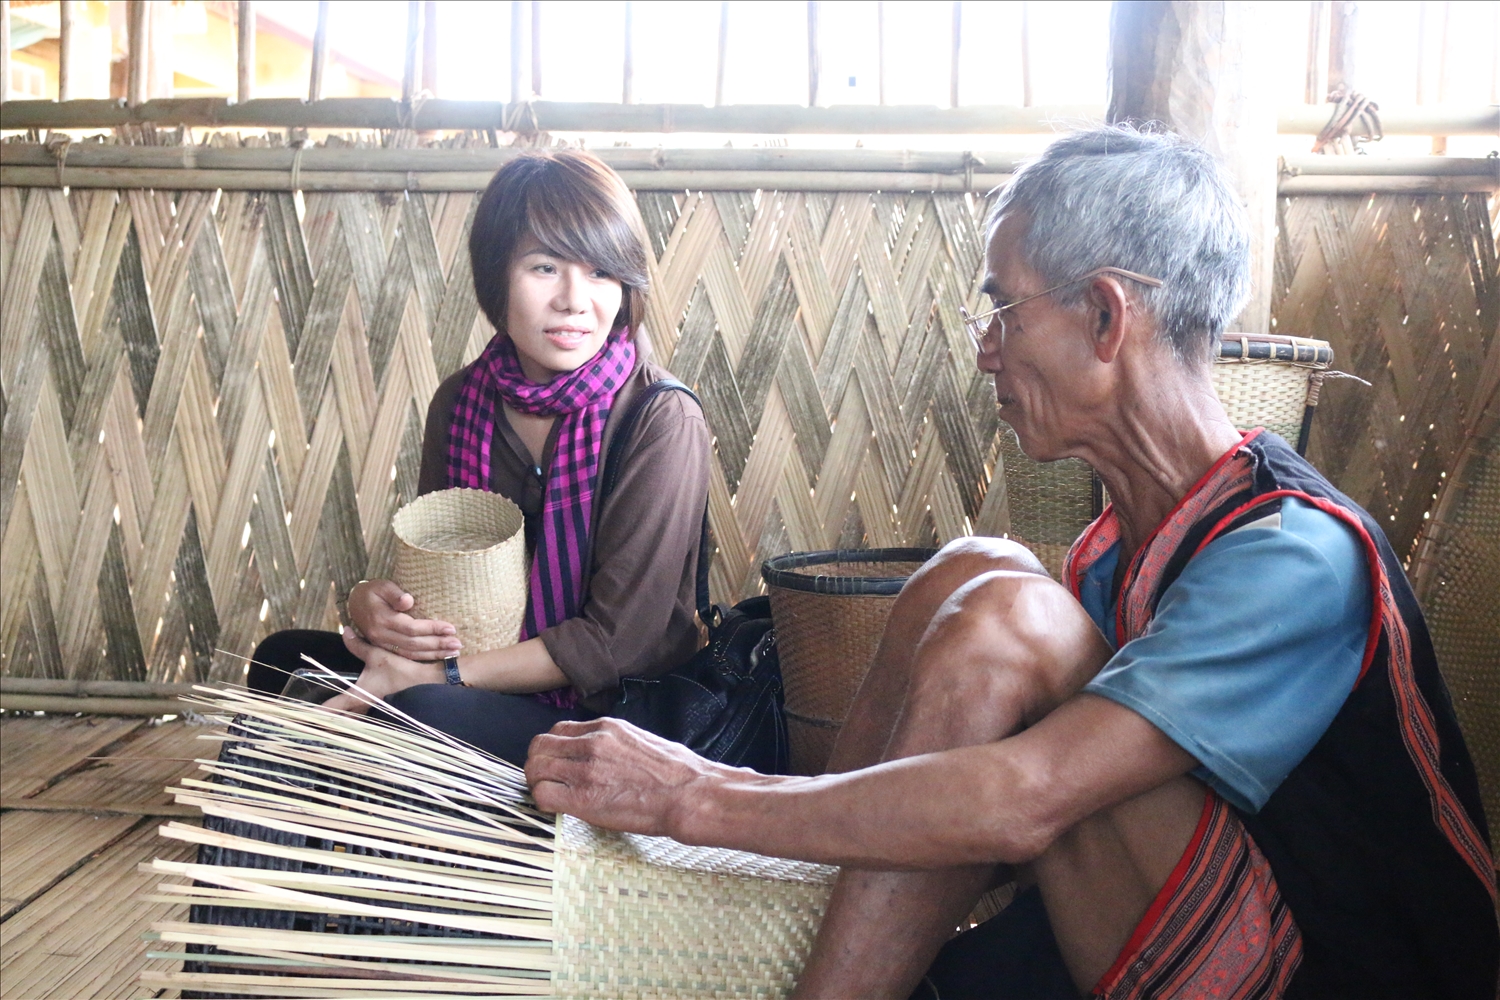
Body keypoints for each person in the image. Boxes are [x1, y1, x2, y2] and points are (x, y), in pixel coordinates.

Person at [524, 127, 1498, 999]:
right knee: (972, 570)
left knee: (1008, 623)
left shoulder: (1296, 555)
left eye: (1006, 311)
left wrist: (694, 795)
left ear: (1108, 318)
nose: (987, 351)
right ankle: (811, 926)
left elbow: (1028, 800)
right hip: (1204, 927)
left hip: (1348, 972)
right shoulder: (1127, 544)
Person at [247, 150, 711, 765]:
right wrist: (374, 610)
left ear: (626, 288)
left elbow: (618, 643)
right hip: (480, 673)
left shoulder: (660, 419)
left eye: (601, 272)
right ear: (497, 277)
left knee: (423, 710)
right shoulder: (462, 402)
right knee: (282, 659)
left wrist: (440, 679)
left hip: (614, 714)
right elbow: (438, 583)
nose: (574, 300)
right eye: (544, 267)